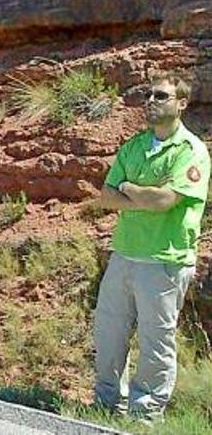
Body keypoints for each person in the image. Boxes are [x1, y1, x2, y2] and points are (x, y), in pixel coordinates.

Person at [93, 76, 210, 422]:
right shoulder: (133, 146)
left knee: (155, 342)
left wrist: (129, 189)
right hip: (124, 254)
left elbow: (165, 201)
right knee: (109, 332)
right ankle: (106, 405)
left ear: (182, 103)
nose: (151, 100)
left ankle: (144, 416)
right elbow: (106, 196)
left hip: (164, 261)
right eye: (148, 94)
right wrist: (141, 193)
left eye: (161, 95)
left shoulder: (192, 151)